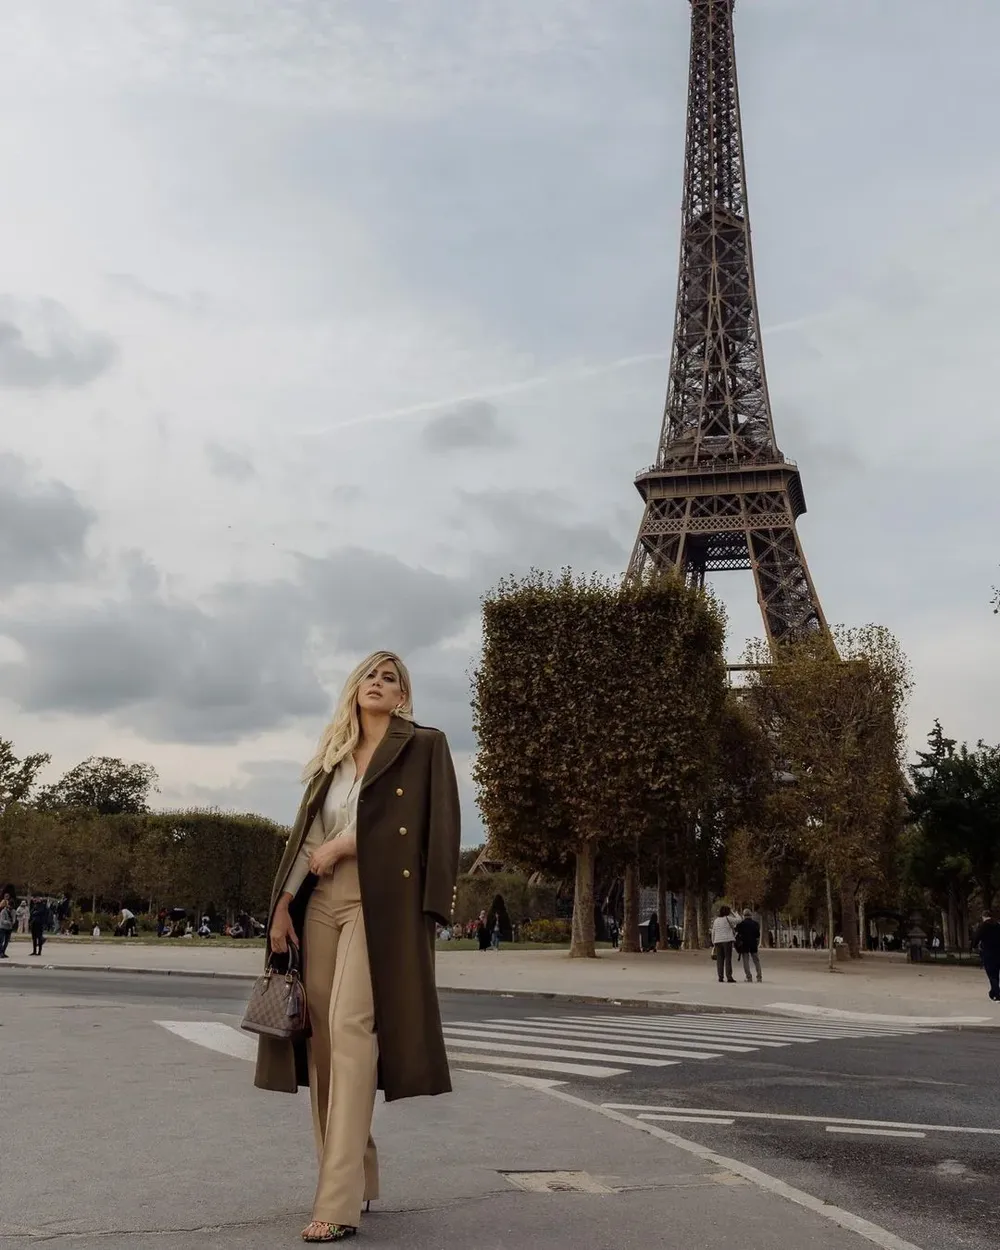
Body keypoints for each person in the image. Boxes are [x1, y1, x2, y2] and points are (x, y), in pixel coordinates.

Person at [256, 650, 460, 1244]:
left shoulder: (425, 745)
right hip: (321, 903)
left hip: (382, 901)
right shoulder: (332, 759)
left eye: (389, 677)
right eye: (369, 674)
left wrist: (426, 907)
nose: (378, 682)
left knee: (349, 1028)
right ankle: (359, 1173)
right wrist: (281, 909)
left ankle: (337, 1201)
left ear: (403, 696)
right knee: (321, 1042)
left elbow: (438, 827)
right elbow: (308, 841)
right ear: (353, 689)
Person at [973, 910, 1000, 1002]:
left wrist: (973, 946)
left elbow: (977, 937)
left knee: (991, 974)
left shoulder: (984, 926)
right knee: (996, 973)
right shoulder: (998, 925)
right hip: (998, 952)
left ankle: (997, 993)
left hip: (988, 953)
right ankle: (993, 992)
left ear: (983, 917)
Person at [711, 905, 737, 983]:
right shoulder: (728, 918)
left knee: (719, 960)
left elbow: (713, 931)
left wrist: (713, 942)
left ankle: (720, 977)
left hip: (718, 941)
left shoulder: (716, 920)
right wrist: (734, 913)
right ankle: (729, 977)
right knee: (728, 959)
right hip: (727, 941)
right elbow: (739, 920)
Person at [735, 908, 762, 983]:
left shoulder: (740, 924)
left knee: (746, 961)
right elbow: (757, 935)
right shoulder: (756, 924)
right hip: (753, 943)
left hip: (744, 944)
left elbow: (737, 933)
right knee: (756, 960)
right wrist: (756, 943)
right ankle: (759, 977)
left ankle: (749, 977)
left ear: (743, 915)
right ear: (751, 915)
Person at [0, 890, 15, 958]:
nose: (10, 909)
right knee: (1, 941)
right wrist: (9, 922)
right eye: (9, 907)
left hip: (9, 928)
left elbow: (14, 918)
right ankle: (0, 953)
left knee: (6, 941)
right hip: (3, 927)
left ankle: (3, 952)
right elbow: (2, 921)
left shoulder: (13, 911)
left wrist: (13, 922)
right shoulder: (3, 911)